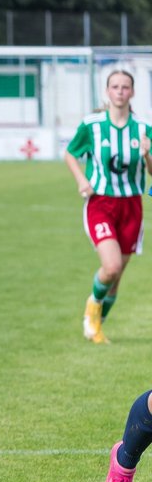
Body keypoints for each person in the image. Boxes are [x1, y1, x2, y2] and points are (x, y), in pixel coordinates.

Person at [63, 69, 152, 344]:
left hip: (131, 206)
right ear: (107, 91)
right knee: (110, 266)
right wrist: (81, 180)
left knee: (116, 277)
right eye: (115, 86)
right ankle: (92, 309)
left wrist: (147, 154)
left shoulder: (143, 129)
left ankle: (97, 323)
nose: (120, 91)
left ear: (133, 92)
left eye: (126, 87)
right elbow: (70, 153)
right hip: (100, 202)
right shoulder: (92, 125)